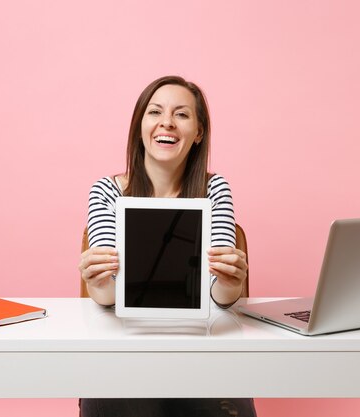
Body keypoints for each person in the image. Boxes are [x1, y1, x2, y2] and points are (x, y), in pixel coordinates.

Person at [78, 75, 255, 417]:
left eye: (182, 115)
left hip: (201, 351)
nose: (167, 123)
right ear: (140, 125)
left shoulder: (214, 188)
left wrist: (232, 281)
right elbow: (105, 296)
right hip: (122, 351)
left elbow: (219, 295)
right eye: (155, 111)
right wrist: (98, 280)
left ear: (198, 132)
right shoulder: (107, 191)